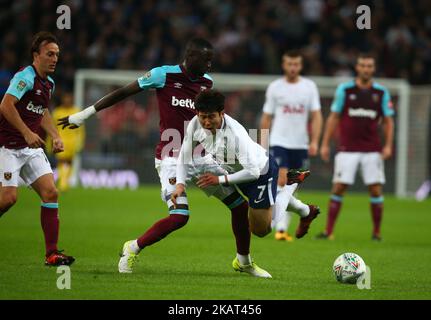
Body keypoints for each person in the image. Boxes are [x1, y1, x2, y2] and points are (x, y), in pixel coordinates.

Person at [58, 38, 268, 277]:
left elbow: (212, 124)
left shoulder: (206, 83)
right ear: (191, 57)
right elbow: (124, 92)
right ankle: (132, 247)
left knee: (239, 207)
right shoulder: (162, 75)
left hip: (201, 157)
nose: (210, 65)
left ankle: (244, 262)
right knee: (180, 217)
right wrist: (84, 114)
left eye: (211, 60)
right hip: (170, 158)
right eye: (207, 60)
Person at [171, 89, 320, 276]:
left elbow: (253, 171)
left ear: (222, 114)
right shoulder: (195, 124)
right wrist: (180, 184)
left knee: (262, 229)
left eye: (211, 117)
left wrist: (219, 179)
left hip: (261, 173)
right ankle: (306, 211)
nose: (207, 122)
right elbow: (184, 156)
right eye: (203, 117)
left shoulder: (235, 135)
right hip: (238, 173)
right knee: (260, 213)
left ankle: (288, 188)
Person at [0, 32, 74, 266]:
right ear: (36, 55)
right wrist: (26, 132)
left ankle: (51, 254)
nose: (54, 59)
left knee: (51, 193)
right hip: (8, 147)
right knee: (8, 199)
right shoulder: (25, 77)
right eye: (49, 54)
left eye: (57, 55)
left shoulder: (49, 83)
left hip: (30, 149)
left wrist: (55, 135)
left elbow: (41, 111)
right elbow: (5, 105)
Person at [316, 54, 395, 241]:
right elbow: (334, 117)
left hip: (372, 149)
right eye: (363, 65)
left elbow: (388, 121)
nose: (366, 69)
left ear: (373, 69)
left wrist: (388, 145)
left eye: (369, 65)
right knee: (338, 188)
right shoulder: (345, 89)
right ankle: (328, 232)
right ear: (357, 68)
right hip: (347, 148)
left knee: (375, 190)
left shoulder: (381, 93)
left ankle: (376, 233)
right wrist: (325, 143)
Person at [260, 50, 323, 241]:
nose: (293, 67)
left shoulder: (309, 87)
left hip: (300, 143)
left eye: (296, 64)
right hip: (279, 141)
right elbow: (266, 117)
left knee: (293, 186)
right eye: (289, 64)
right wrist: (262, 145)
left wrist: (315, 141)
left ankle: (288, 223)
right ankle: (278, 225)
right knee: (282, 180)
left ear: (301, 66)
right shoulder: (275, 87)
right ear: (283, 65)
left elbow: (317, 115)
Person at [50, 93, 85, 192]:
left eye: (69, 98)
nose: (67, 100)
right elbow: (52, 127)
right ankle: (63, 183)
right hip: (61, 140)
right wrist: (50, 141)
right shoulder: (57, 112)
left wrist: (80, 142)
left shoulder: (76, 111)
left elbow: (81, 130)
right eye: (65, 98)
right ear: (62, 99)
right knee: (61, 161)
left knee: (70, 162)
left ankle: (65, 181)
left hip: (72, 141)